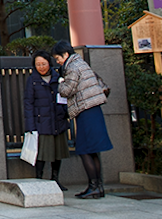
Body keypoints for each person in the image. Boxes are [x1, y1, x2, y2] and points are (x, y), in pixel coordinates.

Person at [53, 40, 112, 199]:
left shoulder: (72, 67)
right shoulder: (81, 63)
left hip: (85, 110)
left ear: (65, 54)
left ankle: (93, 186)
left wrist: (59, 83)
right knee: (93, 150)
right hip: (93, 109)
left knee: (84, 149)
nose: (57, 61)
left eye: (58, 58)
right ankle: (98, 187)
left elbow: (67, 90)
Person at [22, 50, 69, 190]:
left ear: (49, 63)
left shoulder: (58, 78)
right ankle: (39, 179)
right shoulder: (32, 80)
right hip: (41, 121)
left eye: (44, 64)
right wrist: (31, 125)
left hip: (57, 119)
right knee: (41, 153)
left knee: (57, 152)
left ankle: (55, 179)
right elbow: (28, 103)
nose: (41, 67)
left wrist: (64, 114)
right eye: (38, 64)